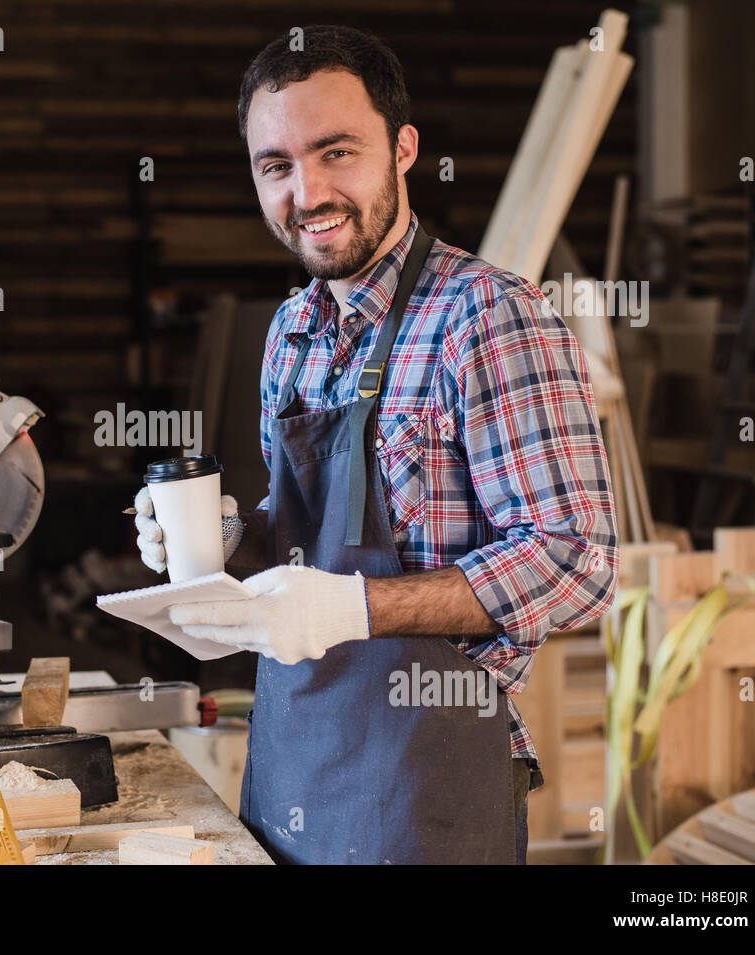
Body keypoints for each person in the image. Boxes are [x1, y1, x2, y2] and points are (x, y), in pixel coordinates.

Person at [133, 25, 619, 864]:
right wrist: (222, 539)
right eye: (276, 165)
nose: (308, 191)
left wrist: (356, 606)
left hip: (426, 780)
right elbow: (309, 538)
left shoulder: (489, 317)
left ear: (403, 149)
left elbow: (577, 560)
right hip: (294, 761)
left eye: (336, 152)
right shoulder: (290, 330)